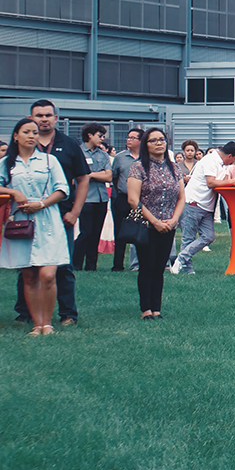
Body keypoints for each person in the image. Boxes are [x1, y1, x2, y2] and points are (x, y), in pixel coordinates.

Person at [14, 100, 90, 328]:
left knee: (62, 266)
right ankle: (25, 312)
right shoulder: (23, 147)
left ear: (56, 118)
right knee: (27, 266)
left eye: (48, 115)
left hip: (62, 215)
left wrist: (75, 212)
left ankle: (67, 313)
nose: (44, 119)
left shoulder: (69, 145)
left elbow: (82, 179)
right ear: (30, 118)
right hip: (25, 217)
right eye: (39, 115)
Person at [0, 118, 69, 335]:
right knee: (29, 275)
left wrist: (41, 204)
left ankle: (47, 323)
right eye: (27, 132)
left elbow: (62, 189)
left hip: (48, 220)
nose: (32, 136)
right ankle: (37, 324)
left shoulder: (49, 161)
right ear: (16, 136)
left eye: (35, 132)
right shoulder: (7, 163)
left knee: (48, 274)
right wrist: (13, 193)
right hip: (21, 222)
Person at [127, 128, 184, 320]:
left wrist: (174, 219)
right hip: (146, 225)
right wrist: (154, 221)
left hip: (169, 224)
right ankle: (146, 309)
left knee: (160, 266)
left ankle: (157, 308)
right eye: (153, 141)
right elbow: (133, 200)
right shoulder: (138, 167)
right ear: (146, 144)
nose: (159, 143)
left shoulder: (174, 168)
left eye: (162, 139)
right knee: (147, 266)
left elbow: (181, 197)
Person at [170, 141, 235, 275]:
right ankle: (187, 269)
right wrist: (232, 181)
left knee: (209, 237)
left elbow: (221, 182)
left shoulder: (222, 164)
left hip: (207, 206)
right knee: (188, 238)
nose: (234, 163)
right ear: (230, 156)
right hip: (193, 202)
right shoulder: (210, 160)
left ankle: (182, 258)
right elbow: (211, 182)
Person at [73, 123, 112, 271]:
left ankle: (91, 265)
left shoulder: (102, 154)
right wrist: (97, 175)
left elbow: (109, 176)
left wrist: (90, 175)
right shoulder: (78, 152)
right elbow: (78, 176)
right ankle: (75, 262)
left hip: (101, 199)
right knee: (86, 232)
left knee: (96, 233)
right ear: (89, 135)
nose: (102, 139)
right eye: (99, 136)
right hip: (86, 198)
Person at [111, 128, 143, 272]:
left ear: (140, 141)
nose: (128, 140)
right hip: (123, 198)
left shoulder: (146, 157)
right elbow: (115, 177)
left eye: (132, 138)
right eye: (128, 137)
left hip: (142, 198)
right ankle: (118, 264)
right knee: (119, 231)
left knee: (141, 230)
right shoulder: (120, 157)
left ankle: (140, 263)